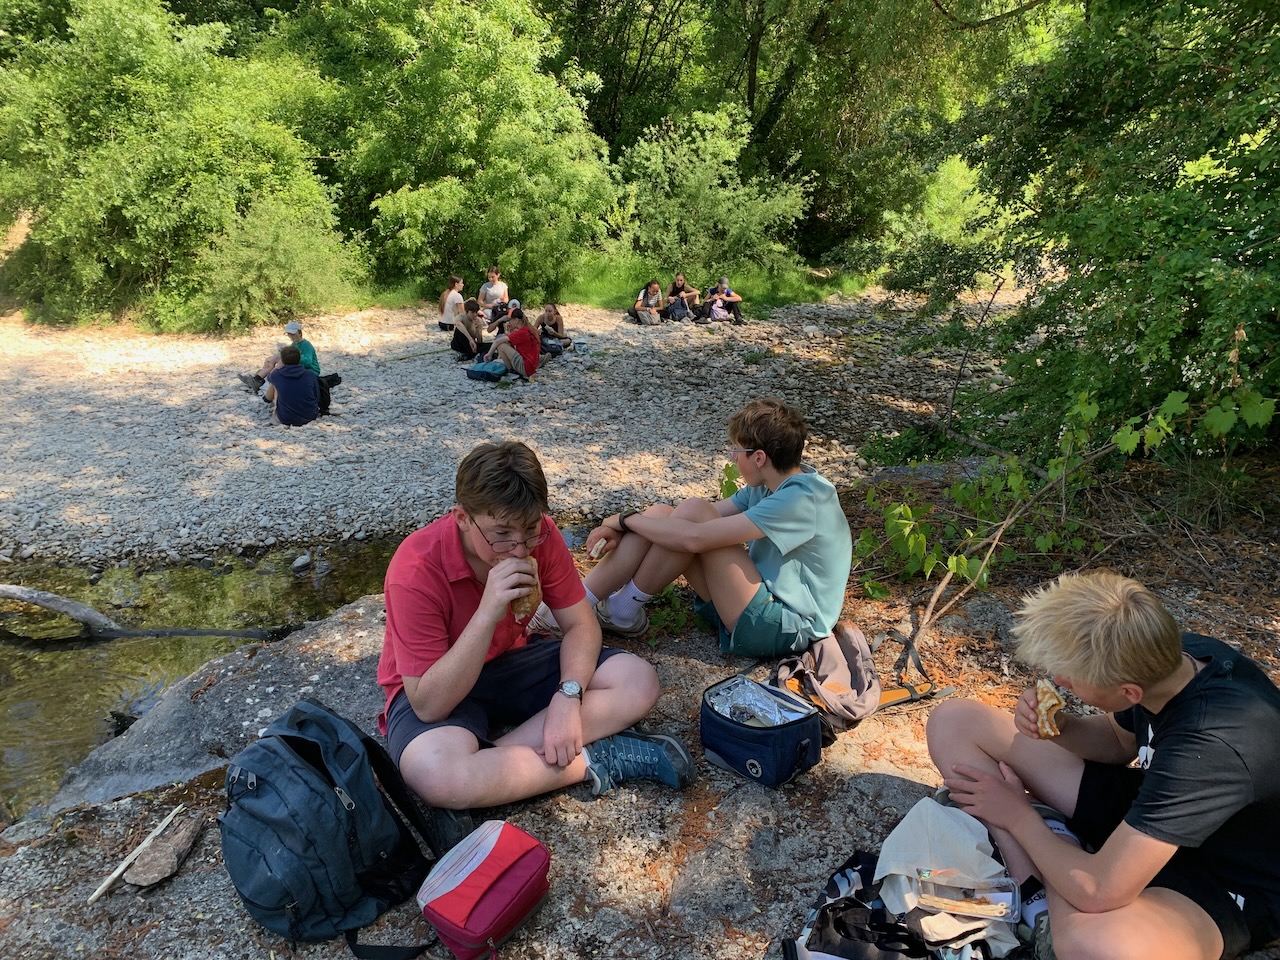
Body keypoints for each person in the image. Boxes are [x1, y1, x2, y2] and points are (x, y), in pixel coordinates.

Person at [928, 572, 1280, 960]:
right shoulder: (1172, 657)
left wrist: (1019, 817)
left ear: (1129, 692)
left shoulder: (1210, 745)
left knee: (1094, 946)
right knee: (956, 722)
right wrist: (1061, 728)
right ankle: (1042, 892)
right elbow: (1116, 742)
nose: (1060, 680)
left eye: (1073, 678)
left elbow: (1099, 891)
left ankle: (1055, 855)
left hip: (1226, 879)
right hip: (1149, 813)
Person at [377, 441, 695, 822]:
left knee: (637, 680)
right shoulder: (415, 568)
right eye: (501, 534)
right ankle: (594, 758)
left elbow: (581, 625)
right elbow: (429, 705)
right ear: (462, 518)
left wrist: (568, 697)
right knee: (436, 774)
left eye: (529, 531)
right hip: (437, 681)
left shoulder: (541, 535)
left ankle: (489, 769)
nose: (518, 549)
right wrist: (487, 614)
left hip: (509, 663)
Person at [530, 398, 852, 658]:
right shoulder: (769, 485)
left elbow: (696, 535)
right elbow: (684, 519)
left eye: (736, 450)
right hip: (756, 603)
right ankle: (596, 607)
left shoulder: (801, 500)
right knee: (664, 513)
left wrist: (624, 520)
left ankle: (609, 609)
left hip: (783, 624)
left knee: (691, 515)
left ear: (758, 458)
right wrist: (627, 524)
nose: (732, 458)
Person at [238, 320, 320, 393]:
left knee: (280, 360)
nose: (291, 336)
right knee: (273, 358)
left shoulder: (306, 345)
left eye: (293, 334)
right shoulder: (294, 344)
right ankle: (257, 379)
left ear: (299, 332)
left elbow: (308, 362)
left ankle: (266, 380)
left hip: (311, 371)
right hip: (299, 368)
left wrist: (290, 357)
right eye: (289, 334)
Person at [264, 344, 320, 426]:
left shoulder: (276, 375)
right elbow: (317, 396)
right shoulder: (310, 375)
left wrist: (278, 366)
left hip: (285, 418)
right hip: (310, 416)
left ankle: (267, 400)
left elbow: (270, 377)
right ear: (299, 359)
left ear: (282, 360)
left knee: (275, 384)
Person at [484, 308, 539, 379]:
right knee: (506, 342)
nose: (509, 322)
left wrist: (489, 354)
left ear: (516, 320)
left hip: (526, 368)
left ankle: (511, 371)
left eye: (510, 320)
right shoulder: (529, 329)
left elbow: (498, 341)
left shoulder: (522, 332)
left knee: (501, 345)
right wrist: (510, 333)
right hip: (532, 366)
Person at [451, 297, 486, 362]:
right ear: (466, 312)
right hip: (459, 344)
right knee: (459, 330)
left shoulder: (478, 320)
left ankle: (472, 354)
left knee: (491, 345)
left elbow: (479, 338)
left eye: (476, 312)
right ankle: (470, 354)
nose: (475, 314)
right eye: (472, 312)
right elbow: (458, 324)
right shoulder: (461, 317)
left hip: (471, 345)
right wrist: (470, 339)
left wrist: (479, 345)